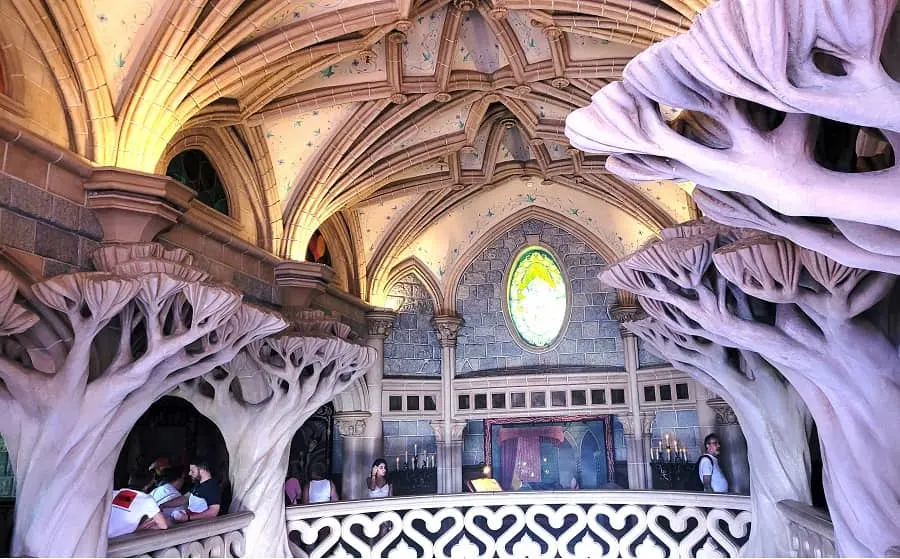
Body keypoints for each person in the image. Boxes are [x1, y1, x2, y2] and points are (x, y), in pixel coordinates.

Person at [109, 470, 168, 538]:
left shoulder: (114, 493)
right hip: (119, 540)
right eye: (153, 481)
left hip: (101, 537)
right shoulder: (147, 499)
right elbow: (163, 525)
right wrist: (143, 527)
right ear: (147, 486)